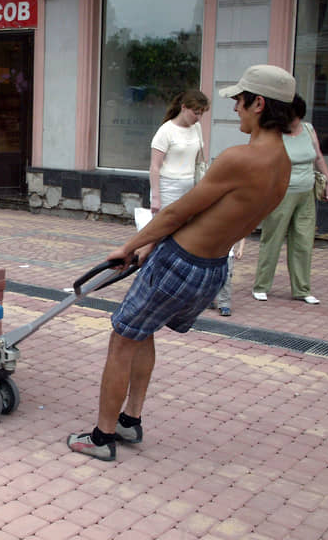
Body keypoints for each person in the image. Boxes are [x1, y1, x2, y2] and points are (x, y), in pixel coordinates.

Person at [67, 64, 295, 461]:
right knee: (143, 330)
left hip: (179, 263)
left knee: (122, 338)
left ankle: (101, 438)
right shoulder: (283, 166)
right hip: (212, 268)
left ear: (259, 104)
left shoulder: (240, 158)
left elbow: (175, 214)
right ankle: (130, 420)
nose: (236, 109)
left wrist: (131, 245)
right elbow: (223, 217)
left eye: (240, 101)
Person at [251, 94, 328, 305]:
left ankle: (302, 289)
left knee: (304, 241)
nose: (291, 122)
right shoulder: (274, 132)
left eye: (294, 117)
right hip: (281, 192)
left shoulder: (308, 129)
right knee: (273, 239)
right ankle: (261, 286)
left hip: (306, 193)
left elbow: (318, 157)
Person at [149, 90, 210, 214]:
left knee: (185, 228)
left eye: (201, 114)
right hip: (168, 187)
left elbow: (199, 157)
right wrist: (156, 198)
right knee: (165, 227)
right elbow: (155, 166)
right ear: (183, 107)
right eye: (196, 113)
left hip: (190, 185)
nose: (198, 118)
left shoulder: (197, 128)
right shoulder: (166, 131)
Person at [212, 239, 245, 316]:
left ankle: (224, 304)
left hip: (227, 255)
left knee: (226, 279)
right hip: (212, 254)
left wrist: (240, 248)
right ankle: (208, 299)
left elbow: (242, 233)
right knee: (212, 277)